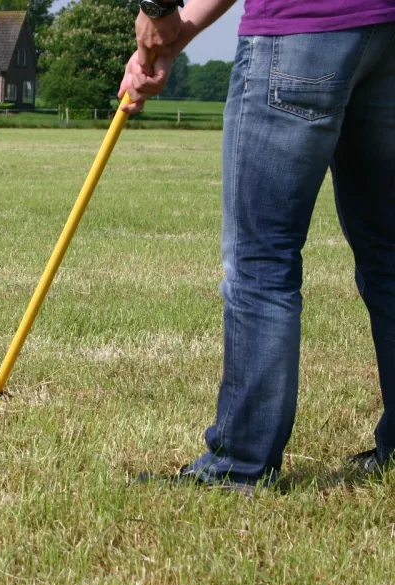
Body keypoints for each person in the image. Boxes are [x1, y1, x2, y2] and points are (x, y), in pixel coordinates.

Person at [123, 0, 395, 490]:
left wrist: (157, 9)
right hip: (386, 32)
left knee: (262, 262)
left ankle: (240, 466)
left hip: (300, 31)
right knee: (389, 256)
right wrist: (178, 32)